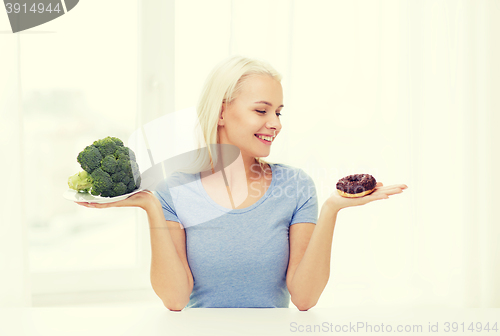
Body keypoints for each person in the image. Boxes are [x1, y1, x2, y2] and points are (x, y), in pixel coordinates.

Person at [77, 55, 408, 311]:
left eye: (279, 112)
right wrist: (151, 207)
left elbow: (305, 299)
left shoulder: (295, 186)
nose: (275, 124)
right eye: (261, 110)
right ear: (222, 113)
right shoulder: (172, 191)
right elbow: (176, 300)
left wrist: (333, 208)